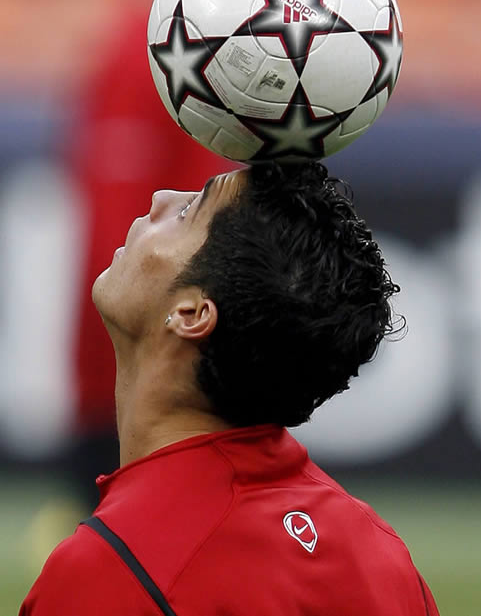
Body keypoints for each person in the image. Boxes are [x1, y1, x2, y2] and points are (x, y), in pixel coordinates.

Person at [20, 162, 439, 615]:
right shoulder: (382, 557)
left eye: (187, 213)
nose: (161, 197)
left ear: (192, 314)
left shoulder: (108, 572)